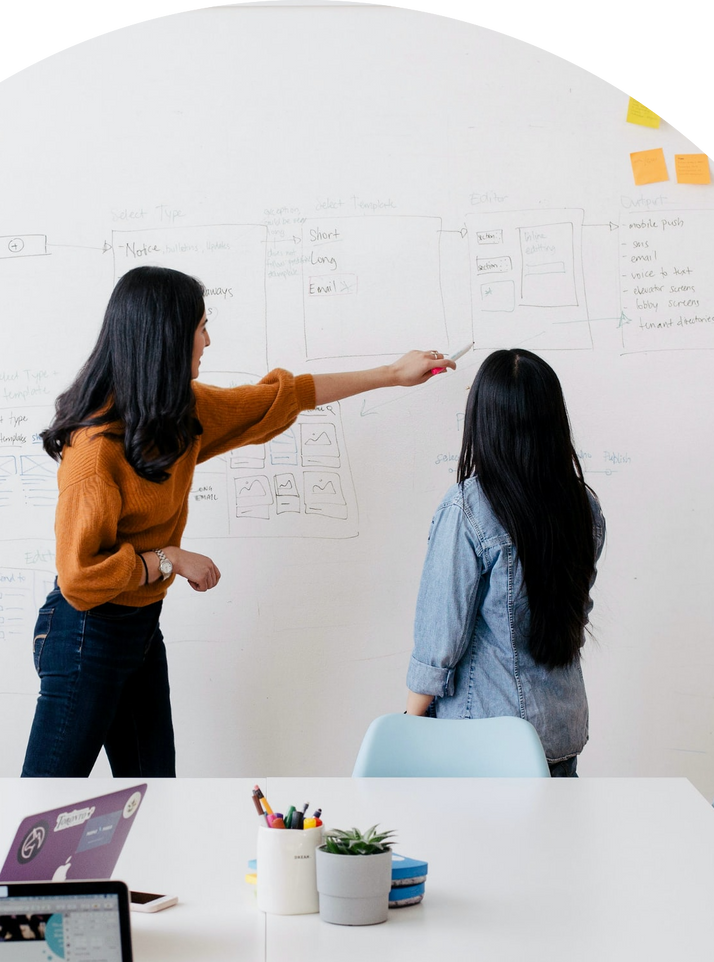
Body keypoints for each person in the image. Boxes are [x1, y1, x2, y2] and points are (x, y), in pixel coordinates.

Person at [23, 265, 454, 778]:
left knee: (155, 797)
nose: (207, 340)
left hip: (138, 630)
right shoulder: (93, 454)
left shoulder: (178, 415)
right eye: (200, 327)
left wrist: (391, 374)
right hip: (82, 634)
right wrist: (168, 559)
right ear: (166, 338)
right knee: (46, 806)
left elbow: (282, 397)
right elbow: (79, 578)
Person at [404, 348, 605, 776]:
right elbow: (574, 614)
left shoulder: (468, 508)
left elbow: (440, 638)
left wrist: (408, 724)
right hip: (560, 731)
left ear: (483, 418)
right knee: (551, 845)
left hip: (485, 739)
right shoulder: (582, 505)